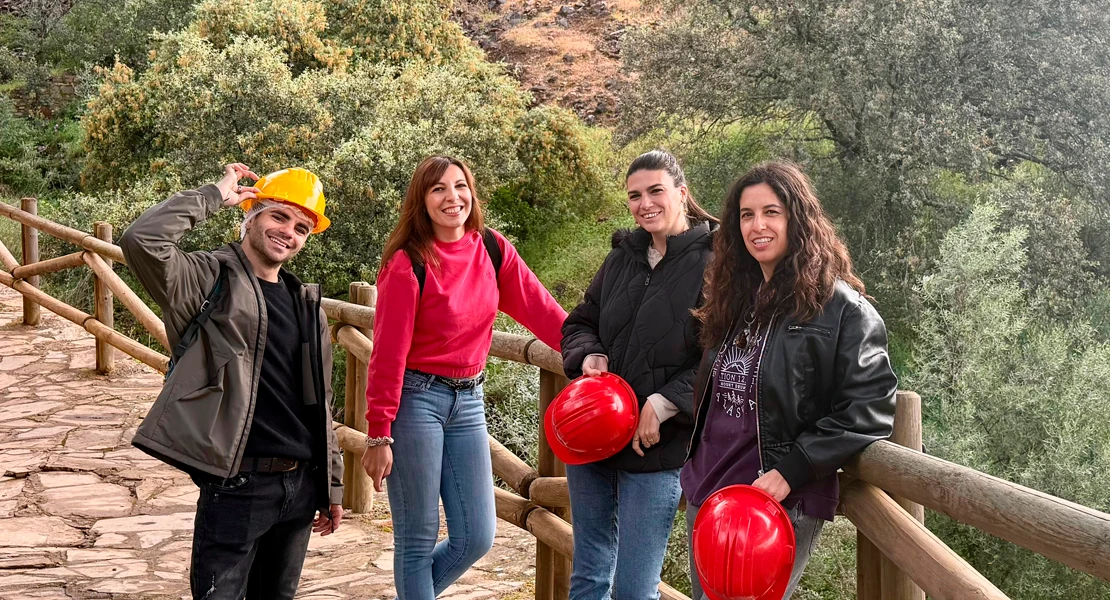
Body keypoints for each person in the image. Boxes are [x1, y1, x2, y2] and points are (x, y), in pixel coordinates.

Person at [120, 163, 345, 600]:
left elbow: (321, 404)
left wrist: (331, 484)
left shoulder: (306, 305)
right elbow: (141, 240)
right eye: (278, 216)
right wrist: (212, 195)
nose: (288, 232)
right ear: (251, 214)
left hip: (300, 487)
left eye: (301, 227)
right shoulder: (207, 277)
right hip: (238, 483)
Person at [683, 160, 897, 599]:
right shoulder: (733, 300)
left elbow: (869, 409)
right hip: (708, 491)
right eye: (746, 215)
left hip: (776, 498)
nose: (757, 225)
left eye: (771, 212)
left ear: (797, 219)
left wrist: (791, 470)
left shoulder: (842, 310)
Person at [361, 155, 568, 600]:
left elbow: (544, 312)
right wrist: (379, 435)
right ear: (421, 200)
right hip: (416, 399)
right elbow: (387, 355)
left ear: (471, 193)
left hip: (468, 401)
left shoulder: (491, 249)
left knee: (476, 535)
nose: (452, 197)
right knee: (417, 537)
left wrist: (590, 348)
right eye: (438, 189)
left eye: (460, 186)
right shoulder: (409, 263)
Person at [560, 150, 719, 600]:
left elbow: (721, 354)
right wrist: (588, 355)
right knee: (589, 575)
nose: (644, 203)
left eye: (655, 191)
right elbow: (579, 323)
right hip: (592, 439)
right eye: (635, 195)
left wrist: (664, 401)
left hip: (657, 447)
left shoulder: (717, 265)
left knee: (633, 589)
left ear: (681, 194)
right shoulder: (623, 257)